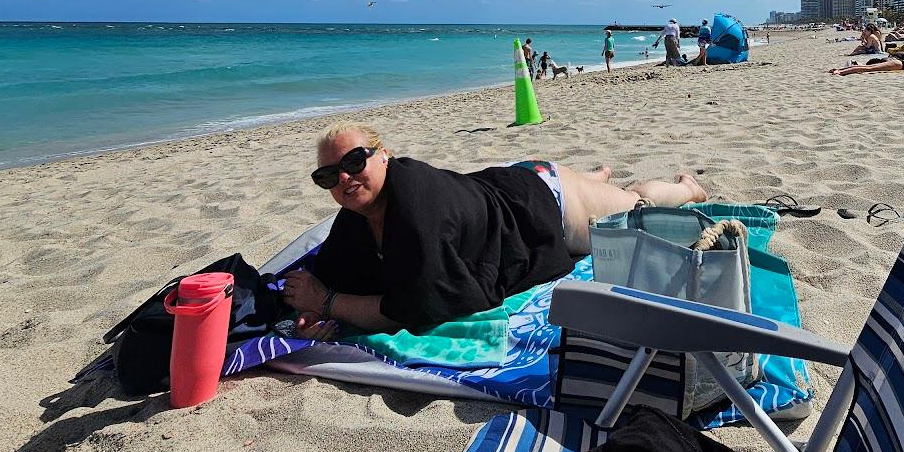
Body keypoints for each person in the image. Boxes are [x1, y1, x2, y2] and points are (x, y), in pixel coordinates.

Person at [282, 123, 709, 338]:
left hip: (544, 202)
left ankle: (684, 188)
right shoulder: (355, 215)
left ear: (385, 157)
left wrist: (331, 303)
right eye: (328, 176)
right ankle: (594, 178)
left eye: (355, 161)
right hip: (498, 183)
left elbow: (421, 303)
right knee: (597, 188)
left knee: (635, 205)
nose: (344, 178)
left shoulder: (414, 202)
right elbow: (330, 279)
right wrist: (314, 310)